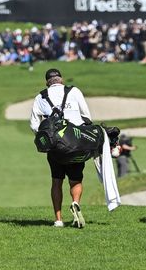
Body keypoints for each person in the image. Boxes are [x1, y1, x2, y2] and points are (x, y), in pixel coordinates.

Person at [28, 68, 93, 228]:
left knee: (56, 180)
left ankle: (58, 219)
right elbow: (87, 117)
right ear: (61, 80)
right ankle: (75, 203)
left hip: (55, 147)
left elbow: (34, 125)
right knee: (75, 179)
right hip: (75, 144)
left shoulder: (40, 96)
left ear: (47, 83)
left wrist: (46, 138)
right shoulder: (74, 91)